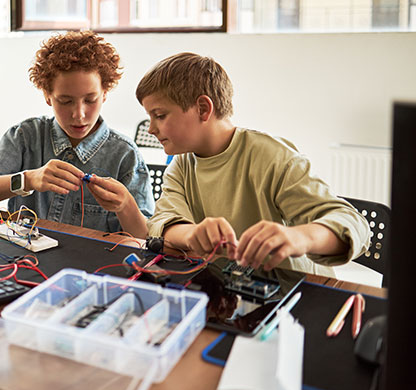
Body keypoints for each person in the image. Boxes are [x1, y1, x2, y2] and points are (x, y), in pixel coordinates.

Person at [99, 52, 370, 275]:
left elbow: (352, 223)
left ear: (203, 109)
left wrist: (300, 237)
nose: (152, 128)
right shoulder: (181, 166)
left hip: (294, 295)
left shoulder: (272, 157)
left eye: (159, 115)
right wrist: (194, 235)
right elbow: (162, 225)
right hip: (228, 295)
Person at [0, 31, 154, 235]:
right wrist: (27, 179)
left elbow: (146, 239)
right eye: (65, 101)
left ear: (104, 94)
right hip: (24, 262)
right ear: (48, 96)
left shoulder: (125, 155)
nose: (79, 114)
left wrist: (126, 205)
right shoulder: (25, 136)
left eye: (90, 100)